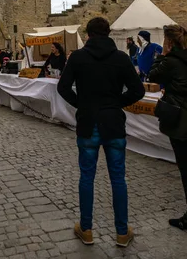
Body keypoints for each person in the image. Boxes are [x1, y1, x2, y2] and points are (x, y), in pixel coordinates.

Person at [57, 17, 145, 248]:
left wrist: (82, 104)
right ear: (107, 34)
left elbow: (62, 87)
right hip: (113, 122)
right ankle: (122, 232)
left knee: (87, 177)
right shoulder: (121, 58)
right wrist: (117, 103)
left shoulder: (78, 57)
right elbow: (137, 90)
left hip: (88, 122)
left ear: (89, 34)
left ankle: (86, 229)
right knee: (118, 178)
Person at [148, 24, 187, 230]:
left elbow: (152, 75)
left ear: (169, 42)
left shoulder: (171, 62)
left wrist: (162, 55)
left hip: (181, 121)